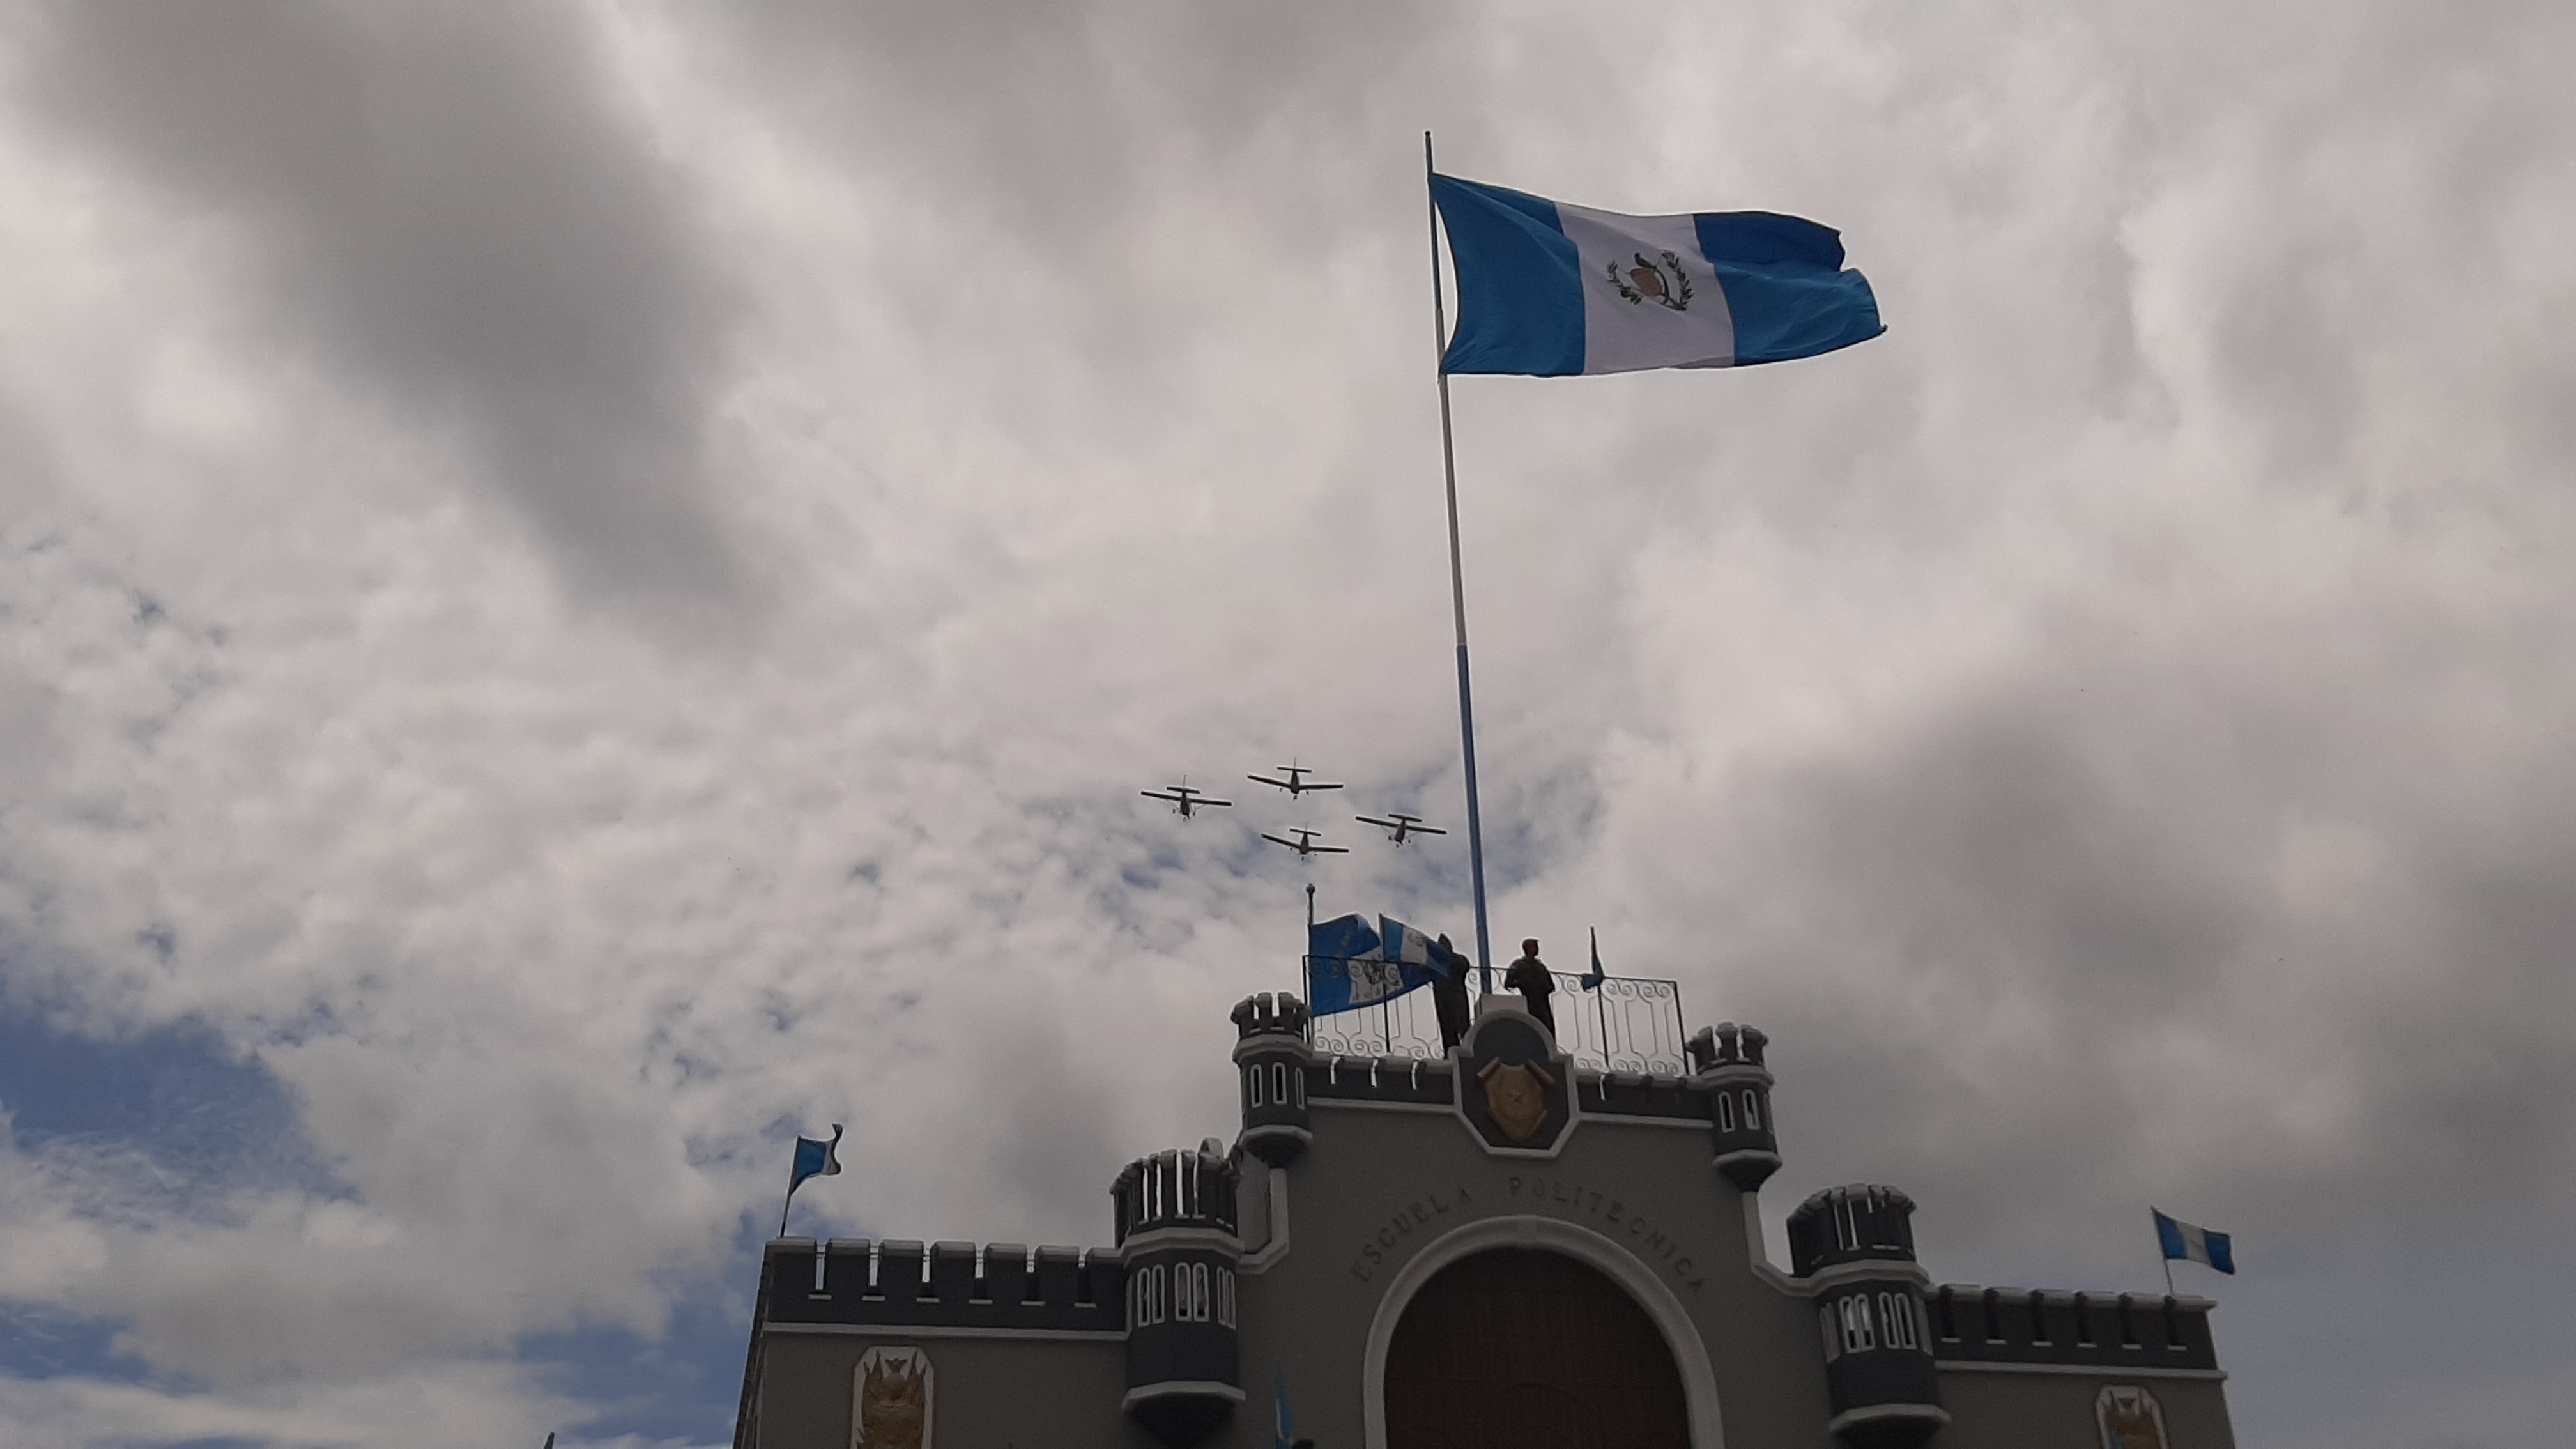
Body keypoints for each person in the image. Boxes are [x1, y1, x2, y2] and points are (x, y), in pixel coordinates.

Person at [1504, 937, 1556, 1034]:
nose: (1537, 949)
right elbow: (1509, 983)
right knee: (1532, 1026)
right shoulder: (1519, 965)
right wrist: (1522, 984)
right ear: (1526, 948)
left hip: (1543, 1001)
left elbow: (1551, 986)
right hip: (1529, 1000)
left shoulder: (1541, 966)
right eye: (1534, 946)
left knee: (1548, 1027)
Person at [1430, 933, 1471, 1053]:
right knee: (1447, 1027)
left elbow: (1464, 966)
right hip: (1442, 999)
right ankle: (1450, 1052)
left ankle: (1468, 1049)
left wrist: (1448, 958)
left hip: (1457, 997)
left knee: (1463, 1025)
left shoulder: (1458, 959)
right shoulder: (1435, 963)